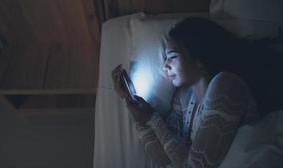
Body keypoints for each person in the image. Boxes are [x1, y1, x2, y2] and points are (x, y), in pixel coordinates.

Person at [111, 17, 262, 168]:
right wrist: (133, 106)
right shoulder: (183, 98)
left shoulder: (227, 86)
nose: (165, 66)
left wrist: (153, 119)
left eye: (173, 57)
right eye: (165, 59)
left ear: (199, 58)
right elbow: (165, 159)